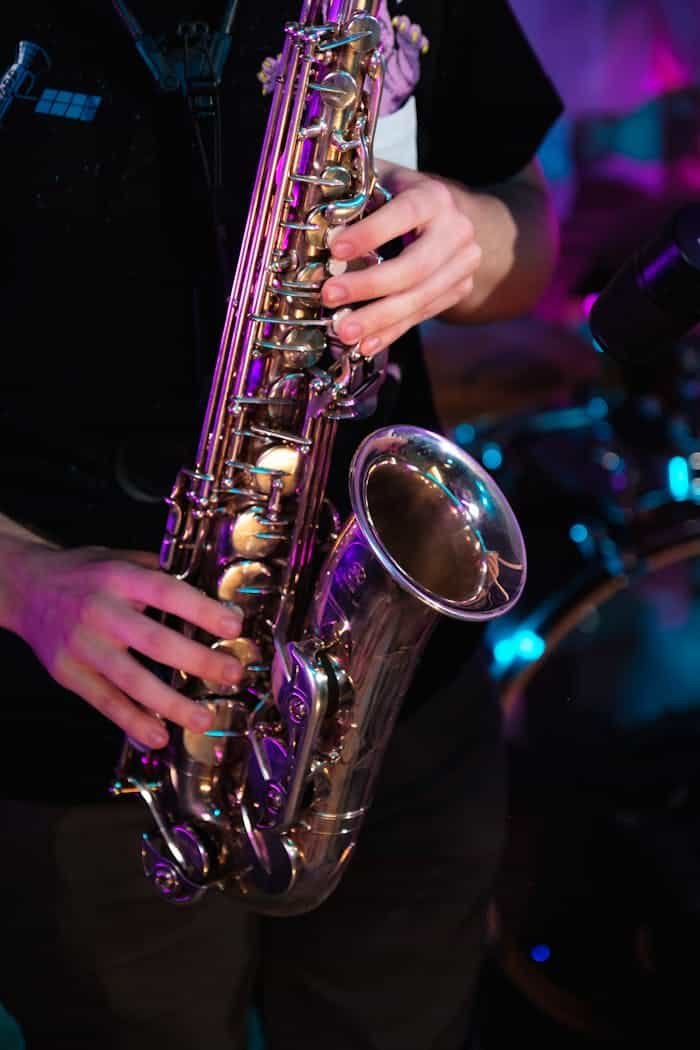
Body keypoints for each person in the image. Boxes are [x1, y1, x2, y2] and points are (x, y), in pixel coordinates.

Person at [0, 2, 562, 1047]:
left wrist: (478, 241)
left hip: (400, 717)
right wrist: (18, 577)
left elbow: (528, 225)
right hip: (88, 738)